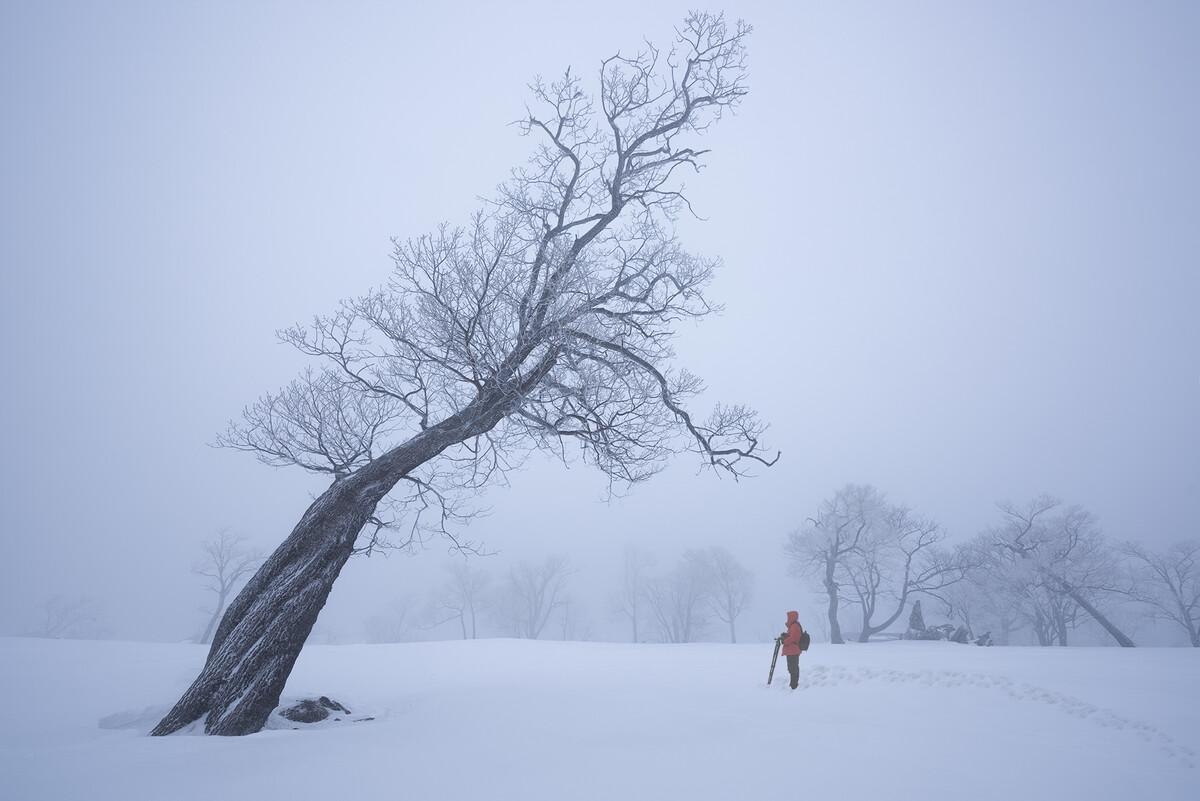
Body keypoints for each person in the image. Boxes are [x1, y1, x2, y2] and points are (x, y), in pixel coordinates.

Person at [780, 610, 805, 690]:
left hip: (793, 650)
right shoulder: (793, 626)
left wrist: (784, 641)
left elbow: (794, 638)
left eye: (788, 617)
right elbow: (792, 636)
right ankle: (793, 684)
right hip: (792, 650)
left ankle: (794, 685)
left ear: (792, 617)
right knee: (792, 668)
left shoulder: (794, 626)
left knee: (793, 668)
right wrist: (786, 635)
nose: (787, 619)